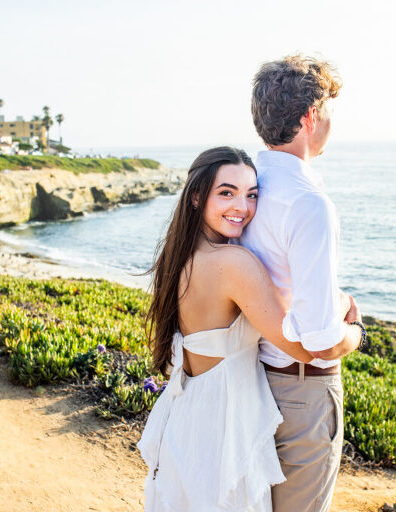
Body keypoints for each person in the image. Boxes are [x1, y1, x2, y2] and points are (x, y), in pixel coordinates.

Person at [137, 146, 357, 511]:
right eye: (227, 192)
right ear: (196, 196)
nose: (242, 207)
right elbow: (304, 349)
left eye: (251, 195)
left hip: (189, 415)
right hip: (223, 425)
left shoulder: (180, 256)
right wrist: (354, 327)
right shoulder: (233, 263)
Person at [241, 54, 365, 512]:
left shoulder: (243, 188)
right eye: (329, 109)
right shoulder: (308, 202)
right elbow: (320, 340)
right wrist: (356, 329)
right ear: (311, 116)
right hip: (301, 390)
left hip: (250, 380)